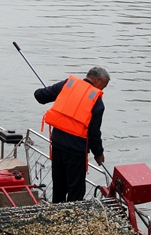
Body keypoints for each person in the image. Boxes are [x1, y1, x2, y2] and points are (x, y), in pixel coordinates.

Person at [34, 67, 110, 203]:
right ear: (98, 80)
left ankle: (56, 214)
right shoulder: (97, 102)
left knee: (59, 186)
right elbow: (94, 133)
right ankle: (71, 217)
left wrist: (58, 95)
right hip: (76, 152)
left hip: (57, 146)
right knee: (76, 191)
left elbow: (39, 96)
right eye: (104, 86)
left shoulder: (67, 85)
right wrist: (99, 153)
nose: (102, 90)